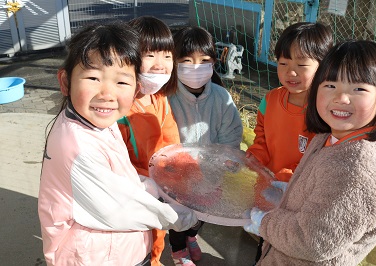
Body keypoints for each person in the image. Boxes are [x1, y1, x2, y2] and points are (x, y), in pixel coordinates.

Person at [37, 21, 198, 266]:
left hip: (119, 249)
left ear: (136, 88)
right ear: (65, 82)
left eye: (121, 82)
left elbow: (125, 180)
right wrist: (182, 216)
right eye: (93, 77)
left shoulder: (98, 122)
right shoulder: (77, 145)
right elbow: (121, 209)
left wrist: (155, 188)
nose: (107, 94)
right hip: (96, 257)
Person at [244, 40, 376, 265]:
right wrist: (290, 190)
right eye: (330, 85)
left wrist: (264, 222)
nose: (341, 98)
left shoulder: (354, 172)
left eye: (358, 89)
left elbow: (310, 241)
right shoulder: (332, 135)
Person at [245, 22, 333, 262]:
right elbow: (261, 135)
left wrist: (288, 177)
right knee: (265, 240)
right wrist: (256, 155)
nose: (290, 73)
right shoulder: (271, 99)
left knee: (286, 244)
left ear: (324, 66)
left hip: (299, 197)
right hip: (267, 185)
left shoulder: (325, 111)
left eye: (301, 65)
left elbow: (320, 159)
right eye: (283, 64)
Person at [167, 26, 243, 265]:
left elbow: (231, 133)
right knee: (178, 217)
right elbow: (163, 139)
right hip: (176, 176)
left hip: (211, 172)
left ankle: (192, 237)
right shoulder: (166, 97)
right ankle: (178, 250)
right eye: (187, 60)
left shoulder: (221, 97)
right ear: (174, 62)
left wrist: (224, 163)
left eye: (204, 60)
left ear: (213, 62)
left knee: (203, 211)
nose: (196, 67)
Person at [117, 16, 179, 266]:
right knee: (133, 240)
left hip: (156, 188)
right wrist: (150, 181)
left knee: (157, 233)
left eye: (167, 55)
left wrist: (180, 173)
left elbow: (171, 142)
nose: (160, 65)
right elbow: (115, 162)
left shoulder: (159, 98)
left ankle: (154, 260)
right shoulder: (118, 108)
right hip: (131, 192)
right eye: (150, 55)